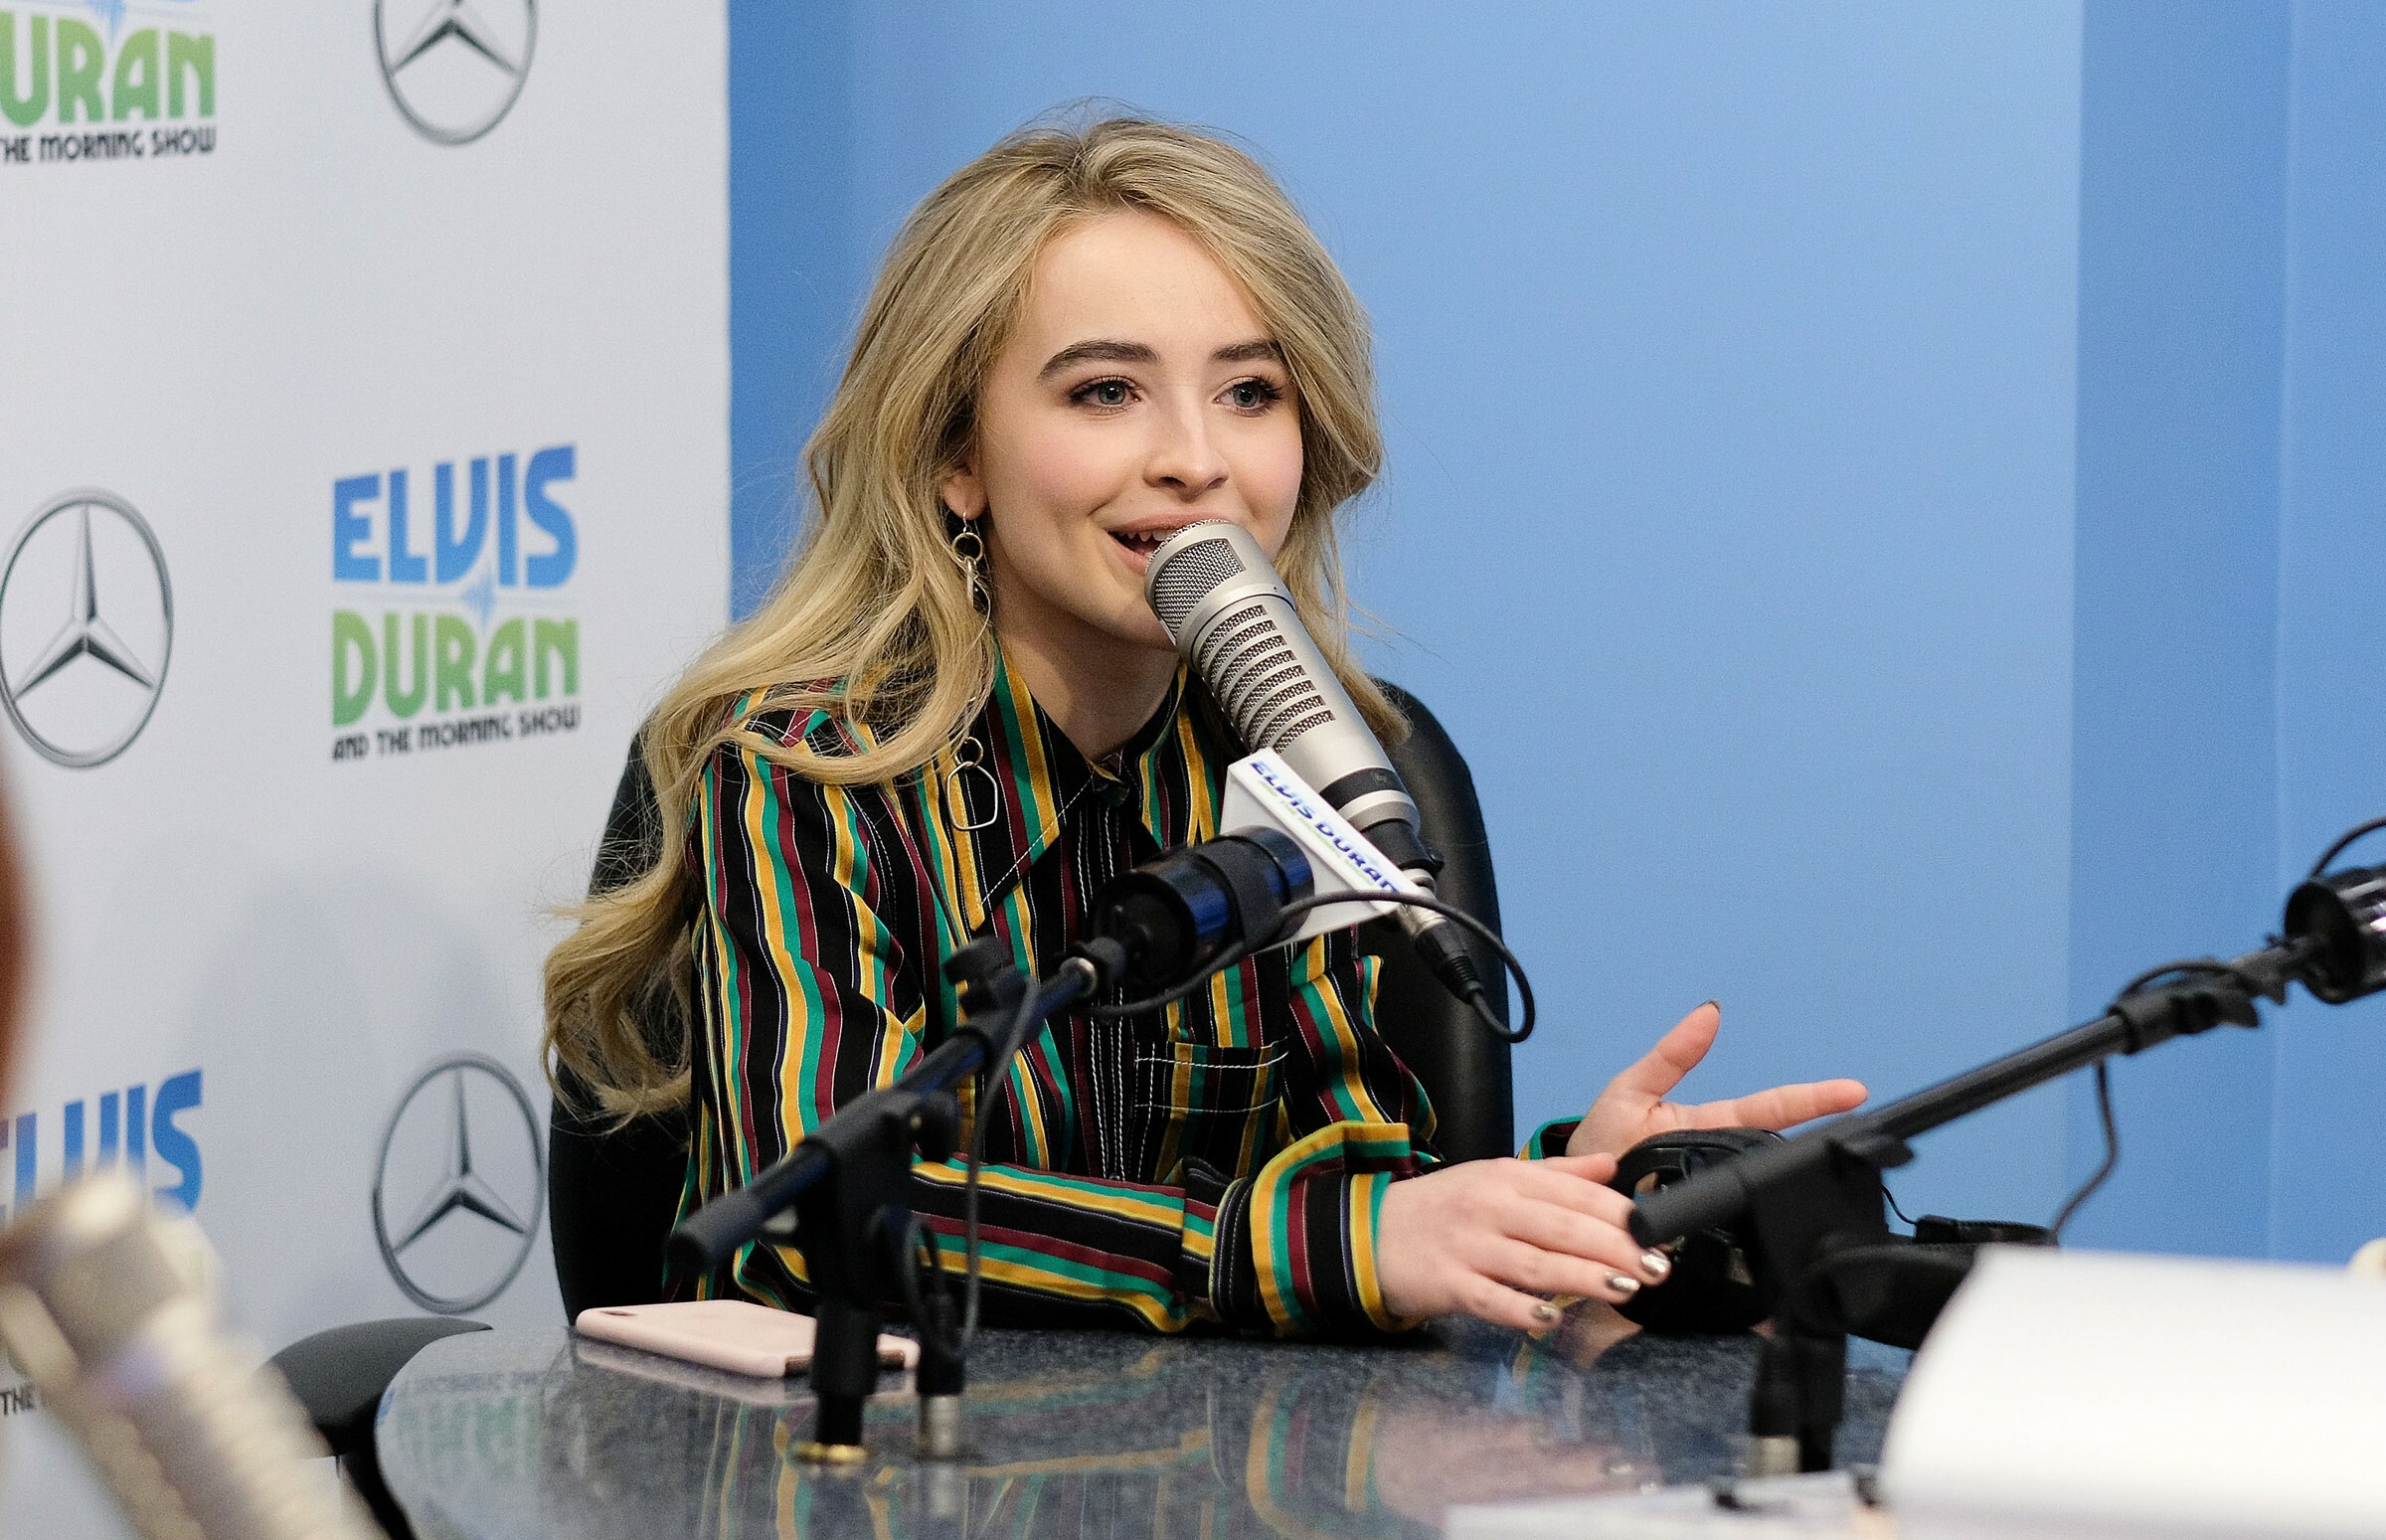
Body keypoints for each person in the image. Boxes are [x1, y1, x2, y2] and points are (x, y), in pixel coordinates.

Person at [543, 115, 1865, 1339]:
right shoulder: (806, 766)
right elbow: (813, 1215)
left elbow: (1366, 1199)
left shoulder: (1313, 760)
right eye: (1105, 392)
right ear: (957, 455)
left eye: (1249, 393)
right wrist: (1309, 1248)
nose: (1197, 459)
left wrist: (1563, 1199)